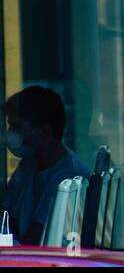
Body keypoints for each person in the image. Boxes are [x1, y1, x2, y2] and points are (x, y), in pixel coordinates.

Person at [0, 86, 91, 245]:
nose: (10, 134)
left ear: (43, 131)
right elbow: (7, 218)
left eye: (16, 126)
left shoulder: (68, 178)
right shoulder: (29, 165)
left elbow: (36, 243)